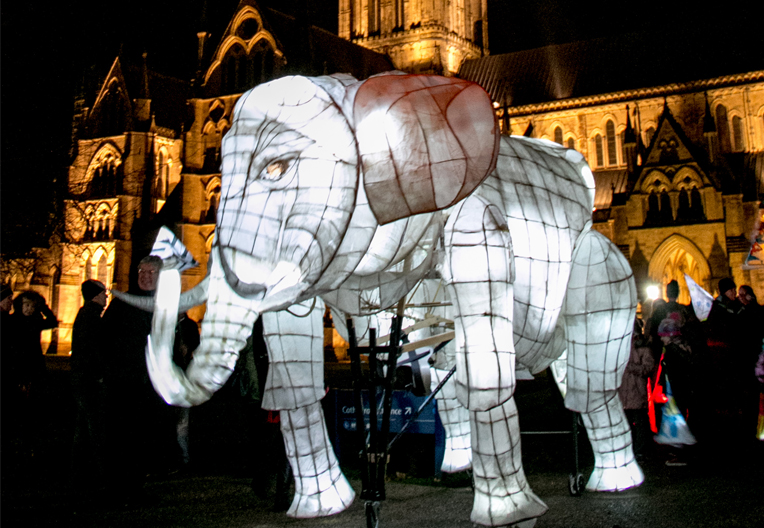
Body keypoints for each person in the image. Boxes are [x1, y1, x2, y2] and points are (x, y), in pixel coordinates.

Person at [101, 255, 175, 498]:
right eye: (141, 271)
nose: (144, 276)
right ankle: (119, 487)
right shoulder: (123, 302)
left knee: (144, 438)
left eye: (150, 273)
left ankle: (134, 485)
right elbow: (104, 339)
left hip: (151, 384)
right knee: (121, 437)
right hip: (124, 382)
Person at [5, 290, 58, 457]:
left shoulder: (35, 321)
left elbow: (52, 321)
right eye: (25, 305)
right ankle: (17, 441)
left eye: (31, 306)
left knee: (33, 407)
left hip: (35, 366)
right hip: (19, 368)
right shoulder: (13, 321)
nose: (28, 309)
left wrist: (43, 307)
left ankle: (29, 442)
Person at [70, 279, 108, 490]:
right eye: (104, 293)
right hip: (89, 380)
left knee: (84, 427)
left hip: (82, 378)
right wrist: (99, 374)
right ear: (95, 295)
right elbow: (94, 351)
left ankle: (81, 473)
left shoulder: (87, 315)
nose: (106, 297)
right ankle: (95, 475)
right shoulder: (92, 318)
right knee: (93, 428)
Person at [618, 320, 655, 462]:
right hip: (624, 392)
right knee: (628, 423)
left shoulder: (643, 347)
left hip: (636, 391)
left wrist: (630, 366)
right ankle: (630, 450)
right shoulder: (620, 347)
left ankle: (640, 451)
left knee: (640, 423)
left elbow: (648, 368)